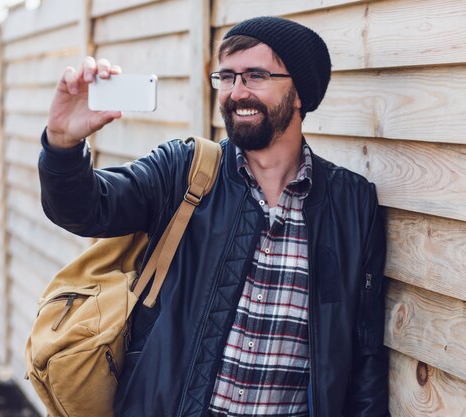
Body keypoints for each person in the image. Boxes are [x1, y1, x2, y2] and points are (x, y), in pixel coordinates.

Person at [39, 16, 389, 417]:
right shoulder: (183, 170)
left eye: (255, 76)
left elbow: (365, 359)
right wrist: (63, 145)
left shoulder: (352, 204)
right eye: (227, 77)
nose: (237, 92)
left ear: (299, 94)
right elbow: (86, 208)